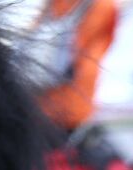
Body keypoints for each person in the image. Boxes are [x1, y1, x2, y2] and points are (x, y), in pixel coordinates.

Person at [31, 0, 120, 135]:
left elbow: (36, 27)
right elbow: (98, 49)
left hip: (37, 91)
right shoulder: (105, 5)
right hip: (71, 100)